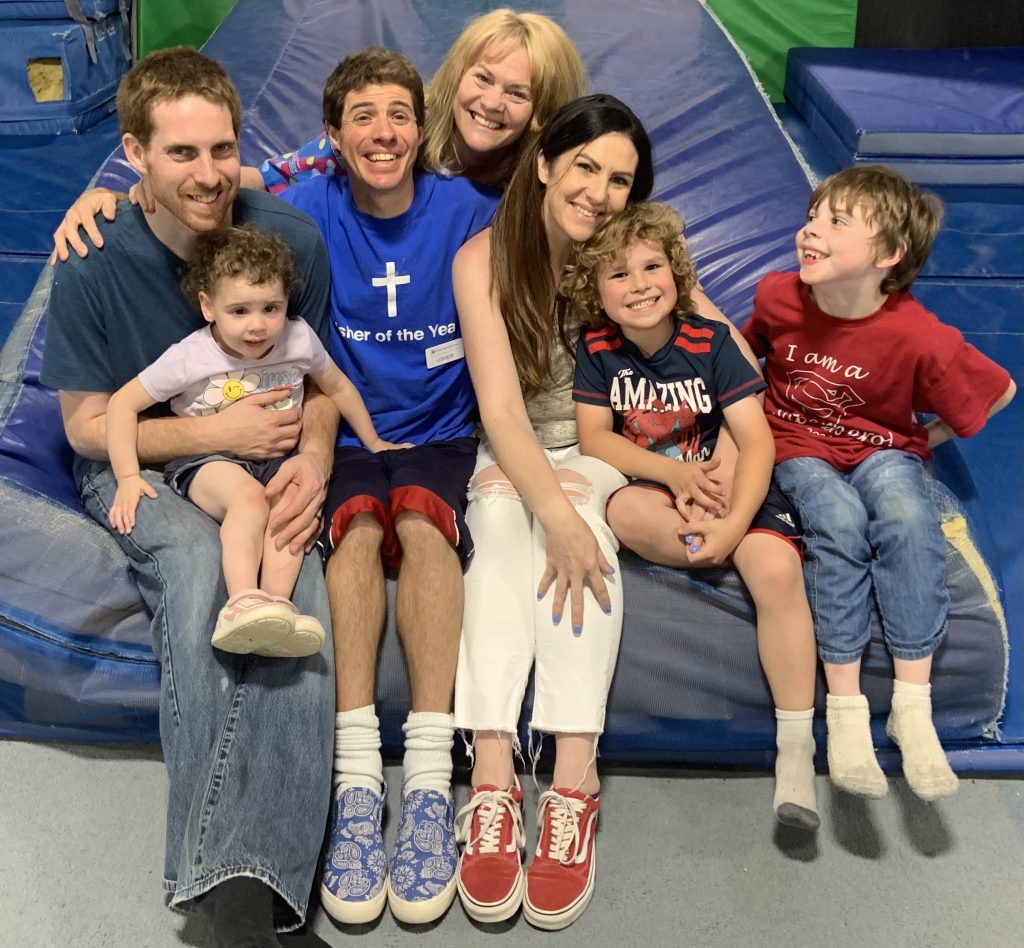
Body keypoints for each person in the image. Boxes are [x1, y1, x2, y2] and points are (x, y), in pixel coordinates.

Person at [39, 48, 337, 948]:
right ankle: (237, 897)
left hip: (261, 461)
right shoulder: (94, 256)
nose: (207, 175)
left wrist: (314, 458)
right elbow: (88, 426)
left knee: (295, 600)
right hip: (140, 460)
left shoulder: (289, 242)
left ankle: (244, 890)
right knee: (203, 567)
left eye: (222, 150)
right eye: (181, 154)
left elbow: (321, 384)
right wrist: (222, 434)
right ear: (134, 153)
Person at [451, 93, 751, 930]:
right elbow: (502, 412)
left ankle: (573, 783)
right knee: (501, 531)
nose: (600, 192)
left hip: (599, 445)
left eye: (620, 179)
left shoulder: (632, 256)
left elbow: (730, 351)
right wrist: (549, 513)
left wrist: (728, 461)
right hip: (512, 444)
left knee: (587, 535)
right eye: (585, 167)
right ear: (545, 164)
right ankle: (492, 781)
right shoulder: (484, 260)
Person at [273, 48, 498, 927]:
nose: (383, 132)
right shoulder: (306, 206)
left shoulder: (466, 208)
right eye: (362, 116)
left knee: (428, 528)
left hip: (441, 430)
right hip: (348, 424)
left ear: (422, 128)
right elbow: (209, 197)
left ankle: (431, 783)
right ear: (331, 135)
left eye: (400, 114)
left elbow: (573, 233)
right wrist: (112, 195)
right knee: (359, 530)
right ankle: (360, 779)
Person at [742, 165, 1016, 801]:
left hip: (883, 446)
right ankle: (845, 709)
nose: (811, 230)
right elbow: (744, 353)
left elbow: (999, 389)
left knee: (907, 518)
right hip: (799, 443)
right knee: (837, 523)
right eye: (812, 217)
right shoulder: (779, 296)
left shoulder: (915, 332)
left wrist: (925, 439)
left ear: (887, 255)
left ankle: (912, 707)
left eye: (836, 222)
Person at [565, 201, 819, 832]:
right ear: (595, 291)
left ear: (678, 275)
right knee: (624, 512)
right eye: (618, 274)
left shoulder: (710, 342)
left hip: (727, 489)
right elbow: (596, 438)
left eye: (652, 267)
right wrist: (673, 476)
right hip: (659, 488)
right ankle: (709, 547)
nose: (639, 284)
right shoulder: (596, 347)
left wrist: (733, 521)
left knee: (777, 571)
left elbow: (756, 442)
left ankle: (796, 748)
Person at [49, 9, 586, 260]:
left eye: (518, 93)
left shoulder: (542, 173)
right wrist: (127, 193)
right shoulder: (396, 135)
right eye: (483, 79)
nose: (491, 103)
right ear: (458, 76)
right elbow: (265, 177)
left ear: (541, 110)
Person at [106, 224, 409, 658]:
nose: (258, 326)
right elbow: (122, 404)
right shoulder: (191, 356)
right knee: (249, 500)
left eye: (271, 308)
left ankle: (276, 607)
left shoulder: (298, 339)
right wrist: (128, 476)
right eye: (239, 311)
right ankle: (241, 602)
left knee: (290, 505)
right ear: (208, 307)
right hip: (208, 460)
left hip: (276, 456)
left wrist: (374, 441)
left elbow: (339, 388)